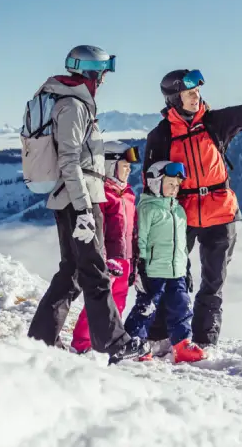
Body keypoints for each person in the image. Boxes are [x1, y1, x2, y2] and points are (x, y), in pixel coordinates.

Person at [143, 69, 242, 346]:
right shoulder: (160, 136)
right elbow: (150, 183)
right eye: (189, 93)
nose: (196, 97)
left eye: (197, 92)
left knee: (213, 282)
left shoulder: (214, 123)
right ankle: (160, 337)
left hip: (220, 212)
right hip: (181, 215)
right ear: (173, 99)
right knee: (171, 276)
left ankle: (204, 342)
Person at [26, 45, 148, 363]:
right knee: (95, 270)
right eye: (103, 73)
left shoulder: (73, 102)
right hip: (79, 199)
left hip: (73, 198)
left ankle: (41, 338)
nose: (104, 80)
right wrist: (83, 209)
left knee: (72, 273)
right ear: (92, 73)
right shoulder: (73, 106)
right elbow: (69, 160)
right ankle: (113, 341)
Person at [121, 160, 206, 365]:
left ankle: (182, 345)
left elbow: (182, 245)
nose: (175, 188)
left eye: (177, 185)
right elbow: (139, 240)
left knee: (181, 306)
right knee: (147, 307)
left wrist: (186, 268)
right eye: (170, 184)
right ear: (155, 182)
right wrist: (139, 267)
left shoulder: (179, 211)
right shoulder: (147, 209)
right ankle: (135, 343)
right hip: (153, 270)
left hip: (176, 271)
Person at [70, 144, 138, 354]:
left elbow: (134, 231)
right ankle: (82, 343)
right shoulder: (103, 195)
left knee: (119, 302)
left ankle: (109, 342)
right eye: (124, 165)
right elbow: (99, 231)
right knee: (100, 303)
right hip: (109, 259)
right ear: (110, 166)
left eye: (129, 166)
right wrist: (104, 259)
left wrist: (134, 262)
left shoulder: (128, 194)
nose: (129, 170)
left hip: (126, 259)